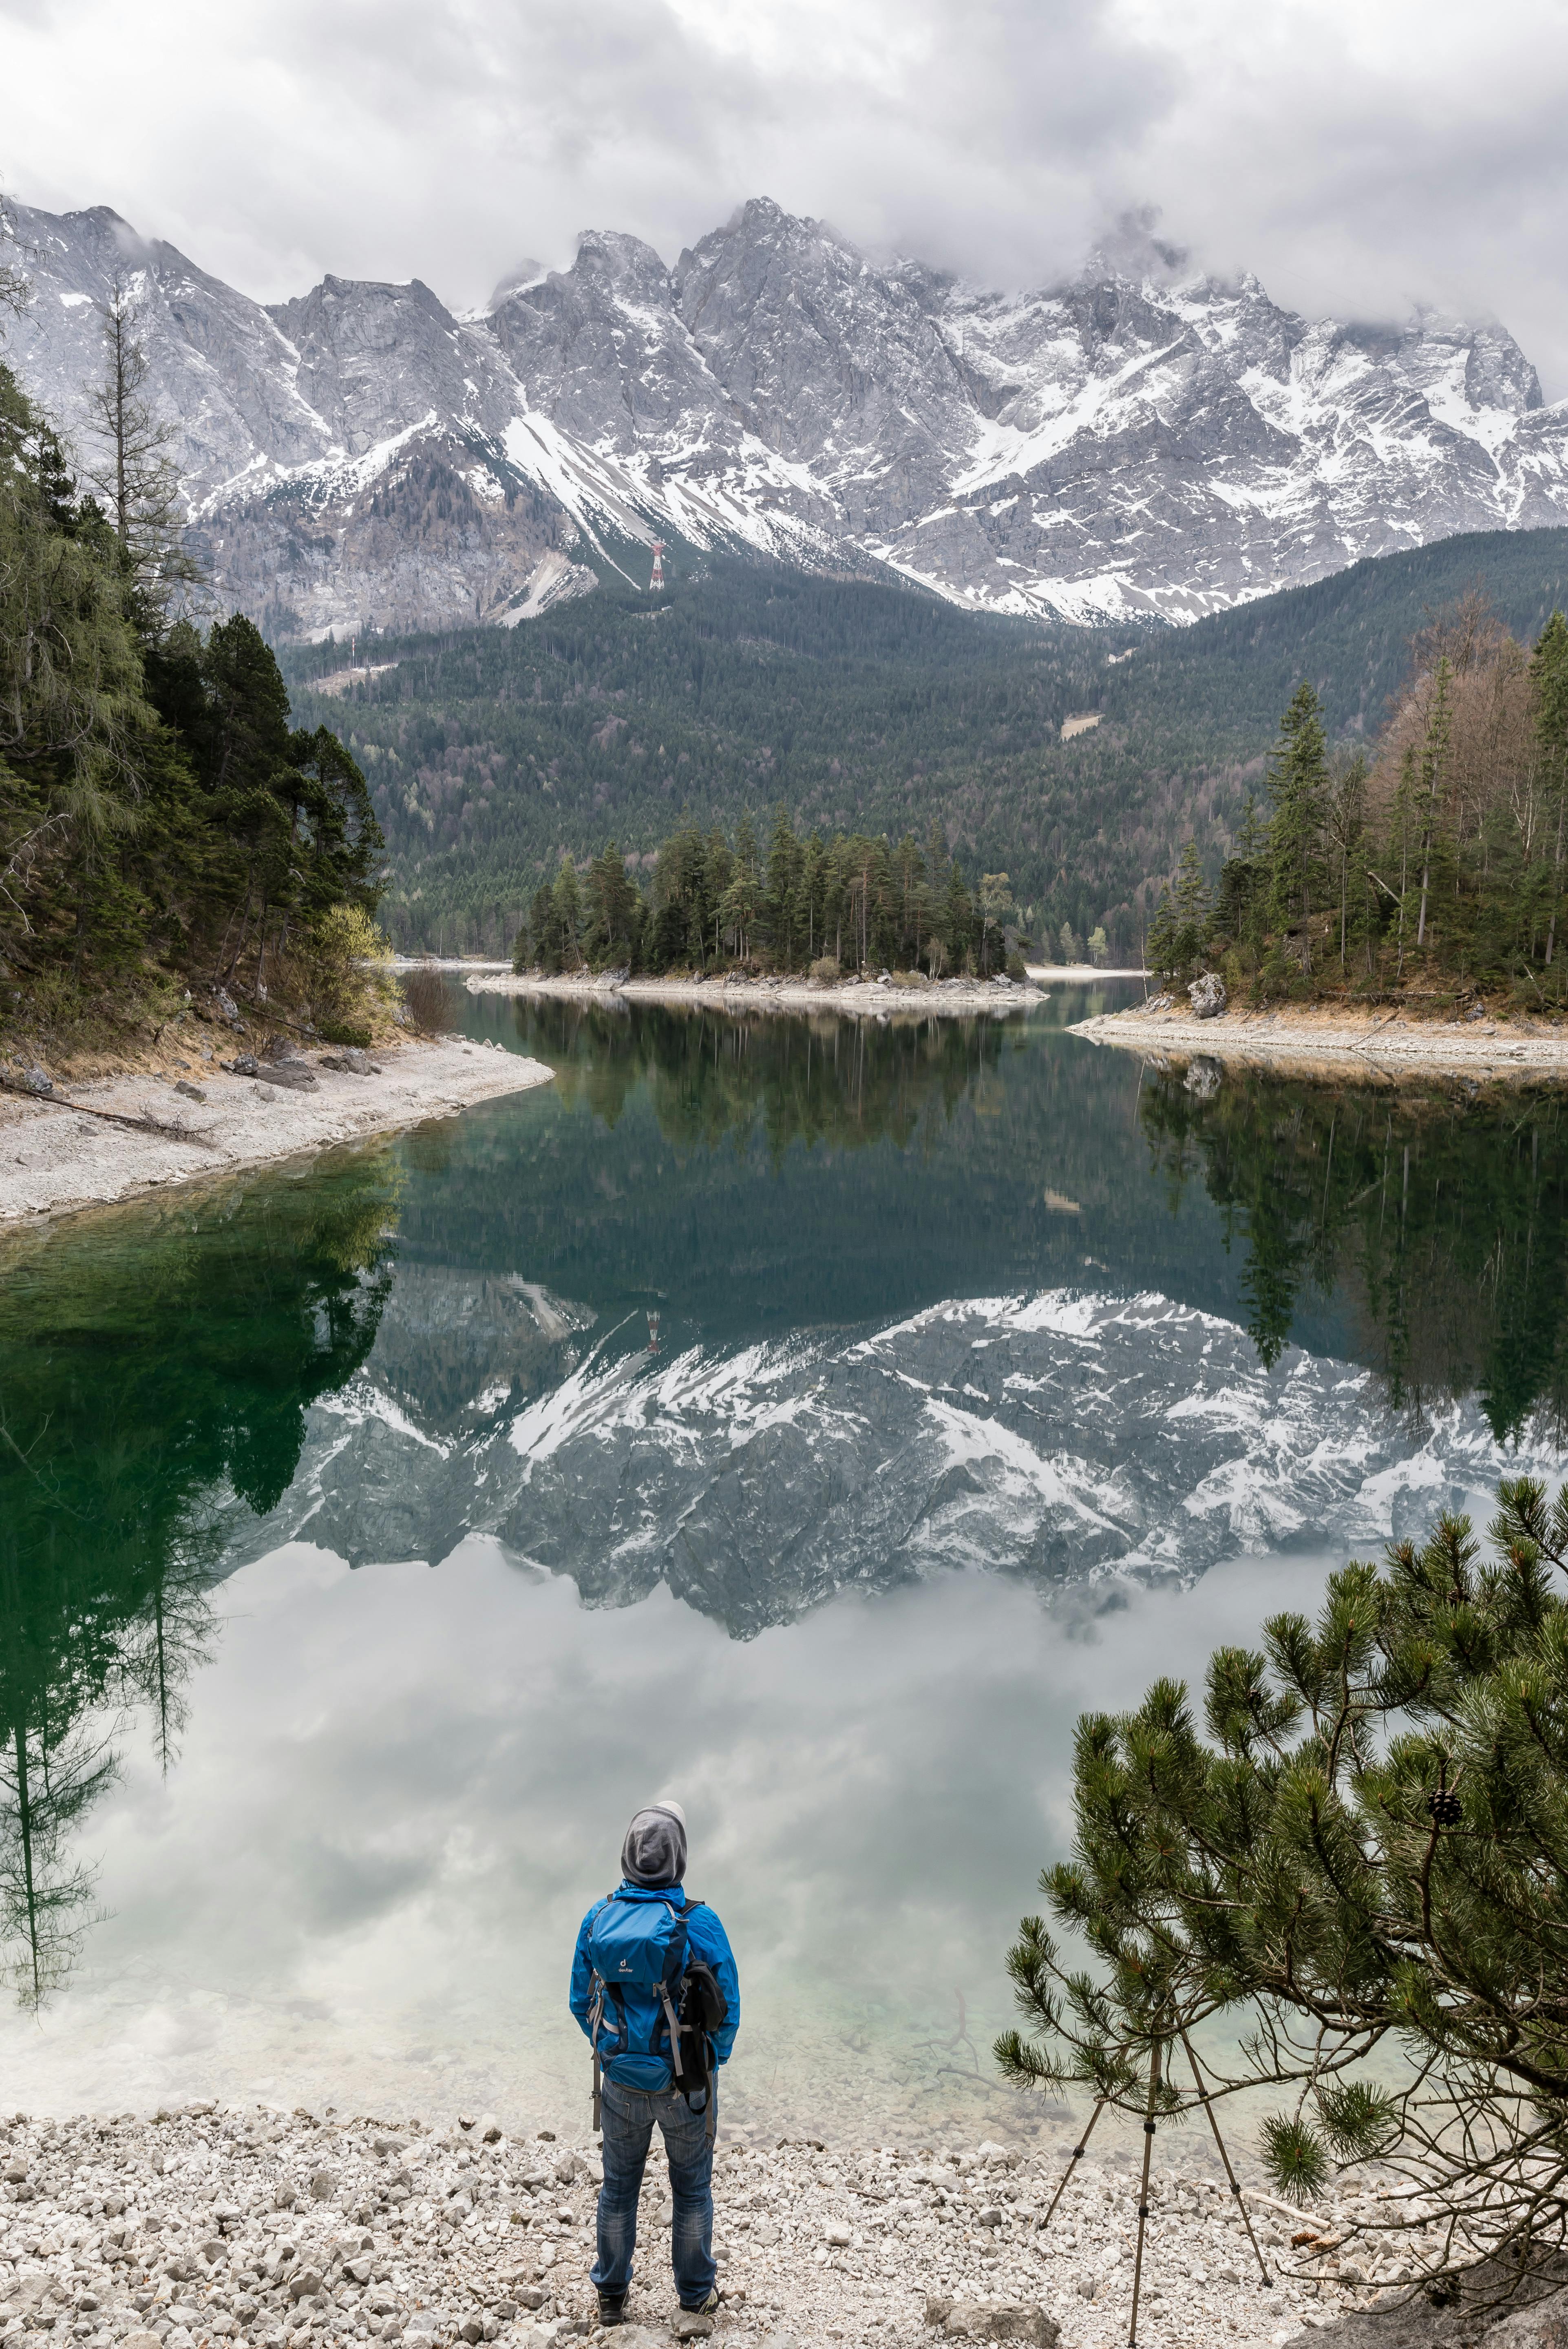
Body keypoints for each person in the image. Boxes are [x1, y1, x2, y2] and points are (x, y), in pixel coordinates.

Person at [569, 1799, 740, 2327]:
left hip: (621, 2081)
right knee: (691, 2190)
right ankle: (695, 2297)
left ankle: (611, 2297)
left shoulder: (599, 1917)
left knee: (619, 2188)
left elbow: (579, 2000)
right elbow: (728, 2006)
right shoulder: (699, 1921)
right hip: (686, 2083)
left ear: (628, 1853)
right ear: (679, 1857)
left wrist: (612, 2054)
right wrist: (711, 2063)